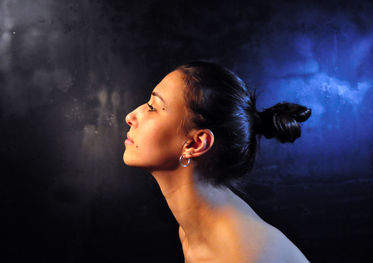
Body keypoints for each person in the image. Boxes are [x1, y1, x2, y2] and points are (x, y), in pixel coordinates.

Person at [123, 61, 311, 263]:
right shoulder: (194, 229)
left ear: (195, 143)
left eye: (153, 107)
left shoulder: (238, 254)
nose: (130, 116)